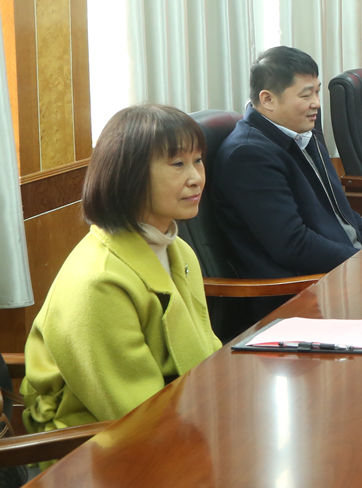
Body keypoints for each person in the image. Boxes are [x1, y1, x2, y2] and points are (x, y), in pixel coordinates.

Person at [22, 106, 221, 433]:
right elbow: (134, 414)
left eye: (198, 160)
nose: (196, 177)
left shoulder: (179, 250)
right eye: (178, 164)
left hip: (184, 414)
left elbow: (204, 348)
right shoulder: (99, 280)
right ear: (130, 175)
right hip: (94, 445)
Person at [214, 46, 362, 279]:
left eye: (317, 92)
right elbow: (293, 245)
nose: (317, 103)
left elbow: (340, 212)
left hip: (344, 267)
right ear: (268, 99)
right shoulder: (249, 155)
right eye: (306, 95)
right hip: (307, 285)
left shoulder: (302, 135)